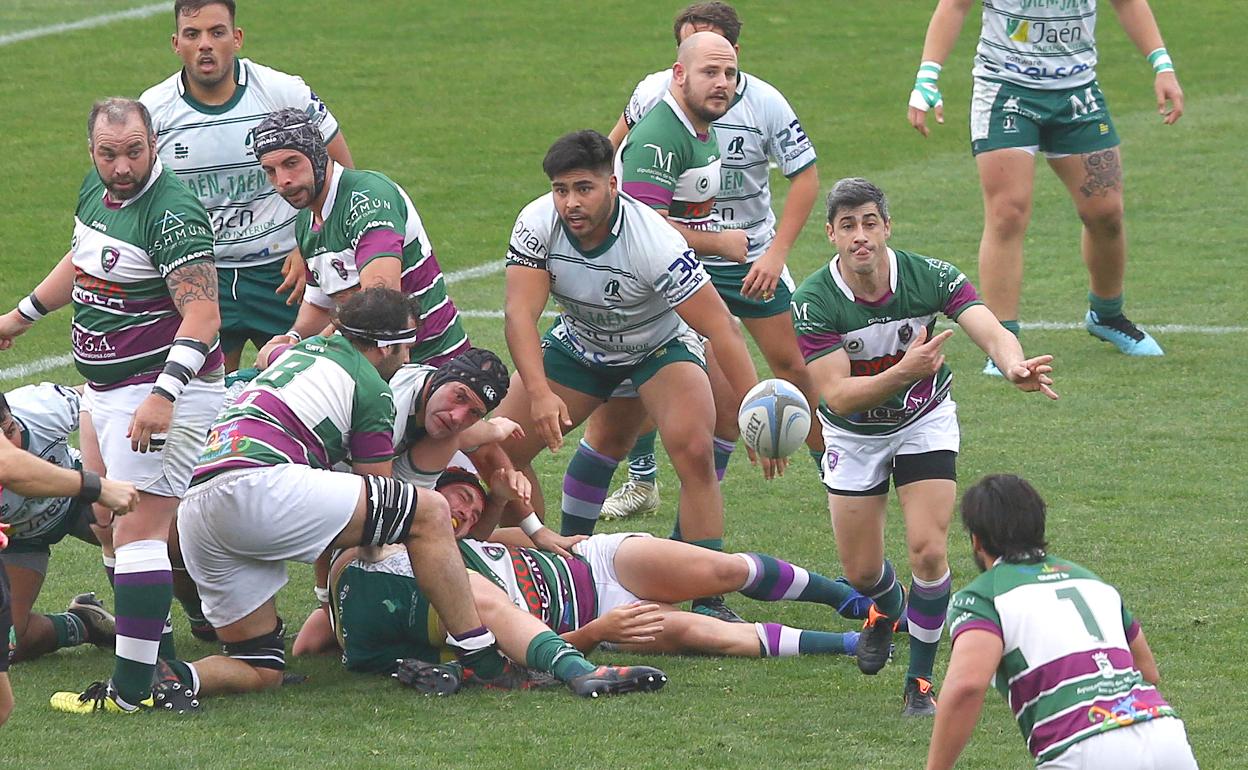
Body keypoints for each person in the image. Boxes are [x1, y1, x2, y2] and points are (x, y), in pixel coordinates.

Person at [122, 288, 518, 711]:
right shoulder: (373, 387)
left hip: (199, 502)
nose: (407, 358)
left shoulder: (309, 348)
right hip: (256, 484)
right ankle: (480, 655)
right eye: (404, 346)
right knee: (429, 510)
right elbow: (383, 499)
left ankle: (171, 677)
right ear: (384, 346)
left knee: (260, 667)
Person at [792, 177, 1057, 716]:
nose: (860, 236)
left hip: (924, 420)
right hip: (853, 436)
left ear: (887, 226)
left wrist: (1012, 364)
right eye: (848, 226)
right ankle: (884, 612)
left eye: (870, 222)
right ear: (831, 236)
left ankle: (919, 682)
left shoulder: (927, 274)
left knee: (929, 550)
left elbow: (988, 324)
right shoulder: (814, 301)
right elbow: (838, 397)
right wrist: (905, 369)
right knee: (863, 573)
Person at [0, 97, 224, 715]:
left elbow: (203, 314)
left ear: (153, 144)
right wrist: (20, 317)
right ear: (91, 150)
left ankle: (130, 694)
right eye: (107, 153)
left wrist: (163, 394)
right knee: (108, 524)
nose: (121, 166)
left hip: (158, 391)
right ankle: (162, 660)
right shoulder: (96, 193)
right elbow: (82, 260)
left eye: (133, 152)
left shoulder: (172, 212)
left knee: (138, 531)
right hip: (106, 390)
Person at [493, 128, 760, 624]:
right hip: (581, 343)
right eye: (561, 189)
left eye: (584, 188)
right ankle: (550, 569)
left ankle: (709, 599)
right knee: (499, 451)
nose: (570, 202)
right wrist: (538, 393)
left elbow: (721, 328)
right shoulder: (535, 223)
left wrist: (753, 408)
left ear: (613, 184)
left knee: (695, 451)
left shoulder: (654, 240)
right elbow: (519, 316)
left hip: (657, 346)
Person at [296, 469, 873, 674]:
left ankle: (846, 598)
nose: (463, 512)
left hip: (595, 563)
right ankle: (854, 642)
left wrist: (546, 533)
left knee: (719, 570)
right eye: (455, 501)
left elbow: (531, 524)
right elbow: (521, 649)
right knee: (696, 632)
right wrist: (596, 635)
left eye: (470, 504)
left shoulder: (475, 536)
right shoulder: (436, 575)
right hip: (591, 616)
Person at [597, 1, 823, 521]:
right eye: (690, 51)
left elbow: (805, 177)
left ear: (735, 56)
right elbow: (611, 147)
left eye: (722, 62)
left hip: (749, 255)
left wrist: (775, 254)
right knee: (659, 367)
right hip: (678, 255)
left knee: (789, 363)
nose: (710, 71)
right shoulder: (656, 95)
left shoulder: (764, 102)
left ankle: (828, 464)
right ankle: (644, 480)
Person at [907, 0, 1184, 372]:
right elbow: (955, 6)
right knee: (1007, 213)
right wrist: (928, 76)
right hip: (1006, 92)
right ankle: (1003, 339)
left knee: (1106, 214)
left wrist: (1162, 65)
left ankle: (1107, 315)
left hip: (1077, 92)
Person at [141, 0, 355, 372]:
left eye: (217, 32)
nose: (205, 44)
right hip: (201, 276)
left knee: (304, 384)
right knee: (197, 397)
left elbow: (343, 175)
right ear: (176, 43)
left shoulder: (281, 92)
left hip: (283, 275)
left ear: (237, 38)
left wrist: (310, 246)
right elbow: (141, 203)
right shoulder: (153, 111)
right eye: (193, 34)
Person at [928, 474, 1198, 769]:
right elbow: (1148, 671)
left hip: (1083, 746)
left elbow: (967, 684)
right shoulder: (1091, 580)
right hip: (1163, 733)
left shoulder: (982, 597)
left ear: (976, 540)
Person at [254, 108, 470, 367]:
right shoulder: (306, 220)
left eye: (292, 163)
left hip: (433, 366)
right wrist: (293, 338)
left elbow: (379, 301)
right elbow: (321, 305)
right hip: (372, 368)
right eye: (270, 171)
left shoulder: (369, 199)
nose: (283, 181)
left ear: (317, 155)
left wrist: (311, 351)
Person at [0, 437, 140, 727]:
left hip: (63, 510)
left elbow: (9, 463)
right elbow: (9, 465)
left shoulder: (43, 406)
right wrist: (97, 487)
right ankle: (83, 623)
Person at [0, 385, 117, 664]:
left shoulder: (41, 406)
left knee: (163, 539)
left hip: (78, 500)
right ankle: (84, 623)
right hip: (18, 538)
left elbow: (100, 398)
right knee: (7, 642)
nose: (10, 449)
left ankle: (205, 615)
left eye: (9, 431)